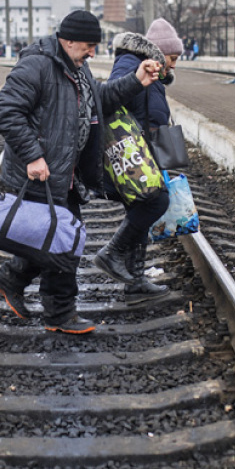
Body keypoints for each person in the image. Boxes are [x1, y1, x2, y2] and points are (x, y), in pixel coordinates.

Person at [0, 10, 162, 334]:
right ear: (68, 41)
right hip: (41, 174)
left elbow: (102, 99)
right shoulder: (37, 65)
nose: (93, 52)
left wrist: (137, 80)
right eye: (88, 45)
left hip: (65, 174)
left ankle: (14, 280)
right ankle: (59, 314)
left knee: (59, 238)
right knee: (63, 240)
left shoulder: (77, 69)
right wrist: (33, 155)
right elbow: (5, 113)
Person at [96, 19, 183, 304]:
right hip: (130, 151)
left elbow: (152, 111)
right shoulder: (130, 62)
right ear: (160, 51)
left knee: (143, 207)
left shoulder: (152, 68)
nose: (174, 65)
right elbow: (110, 97)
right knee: (155, 201)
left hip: (144, 150)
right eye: (173, 58)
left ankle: (134, 282)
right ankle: (112, 253)